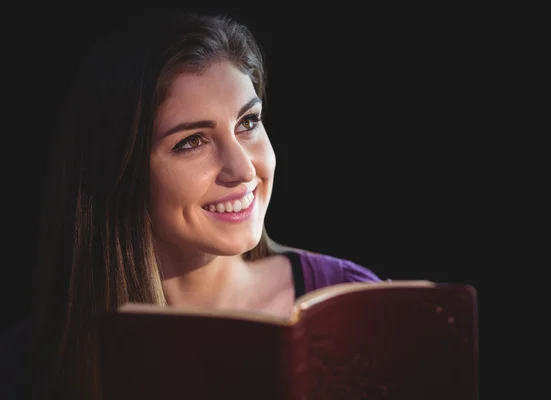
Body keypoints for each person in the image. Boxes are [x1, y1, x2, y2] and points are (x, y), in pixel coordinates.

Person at [0, 9, 382, 400]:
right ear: (120, 174)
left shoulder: (357, 305)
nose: (242, 168)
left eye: (248, 122)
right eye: (191, 142)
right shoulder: (31, 365)